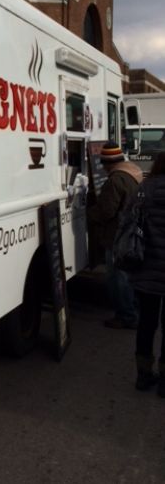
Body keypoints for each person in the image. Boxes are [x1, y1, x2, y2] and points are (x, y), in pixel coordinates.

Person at [88, 141, 143, 329]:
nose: (102, 168)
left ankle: (127, 316)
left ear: (109, 163)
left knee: (117, 278)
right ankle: (133, 309)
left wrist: (88, 214)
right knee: (128, 275)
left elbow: (106, 210)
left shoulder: (115, 180)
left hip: (117, 235)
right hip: (131, 233)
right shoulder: (133, 172)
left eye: (103, 164)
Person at [130, 151, 165, 395]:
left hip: (147, 267)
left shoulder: (145, 188)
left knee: (146, 324)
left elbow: (129, 221)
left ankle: (143, 375)